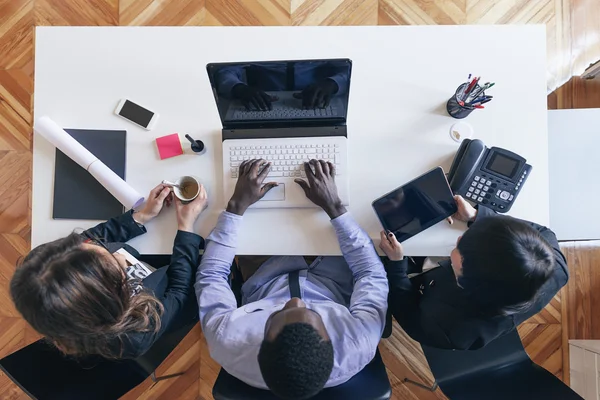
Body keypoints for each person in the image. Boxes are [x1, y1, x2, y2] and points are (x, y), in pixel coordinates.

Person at [196, 159, 388, 399]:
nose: (296, 301)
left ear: (261, 340)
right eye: (314, 313)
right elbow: (370, 273)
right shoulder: (359, 340)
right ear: (332, 342)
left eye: (278, 312)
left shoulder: (227, 340)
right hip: (334, 272)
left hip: (264, 269)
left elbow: (212, 275)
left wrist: (236, 206)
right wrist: (335, 206)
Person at [10, 183, 209, 359]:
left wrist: (141, 216)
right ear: (113, 298)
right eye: (115, 265)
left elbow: (92, 237)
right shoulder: (137, 333)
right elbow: (179, 292)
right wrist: (185, 227)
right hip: (177, 291)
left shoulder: (45, 262)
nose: (121, 256)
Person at [381, 195, 569, 350]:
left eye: (460, 249)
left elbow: (409, 315)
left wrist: (396, 266)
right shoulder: (553, 263)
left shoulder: (453, 329)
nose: (460, 238)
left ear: (465, 282)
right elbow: (544, 233)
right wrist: (477, 216)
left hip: (420, 289)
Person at [214, 60, 350, 110]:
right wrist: (239, 88)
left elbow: (348, 68)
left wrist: (333, 83)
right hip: (262, 103)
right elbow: (225, 71)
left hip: (317, 102)